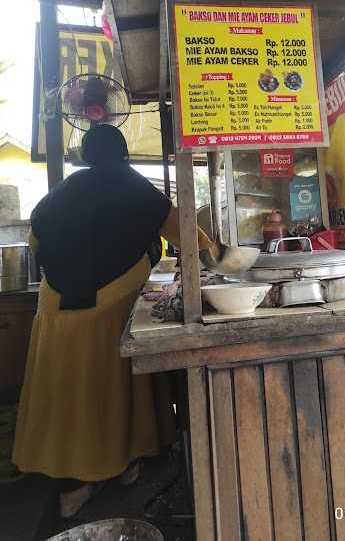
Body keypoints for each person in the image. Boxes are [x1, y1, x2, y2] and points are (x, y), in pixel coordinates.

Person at [13, 125, 211, 519]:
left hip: (54, 307)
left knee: (64, 395)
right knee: (112, 393)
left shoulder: (61, 192)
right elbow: (192, 238)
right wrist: (220, 254)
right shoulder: (137, 188)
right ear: (123, 155)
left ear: (86, 156)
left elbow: (35, 241)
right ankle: (124, 467)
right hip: (108, 310)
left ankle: (72, 487)